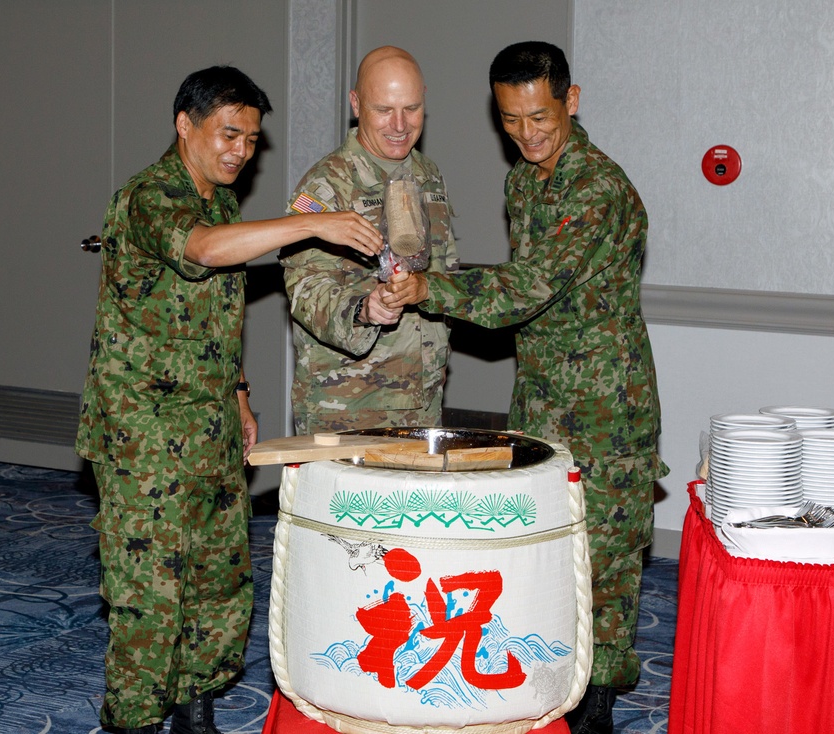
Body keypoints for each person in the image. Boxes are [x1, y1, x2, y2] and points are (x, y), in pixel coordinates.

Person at [75, 65, 381, 734]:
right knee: (151, 592)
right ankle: (133, 719)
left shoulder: (217, 199)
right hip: (144, 435)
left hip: (207, 422)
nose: (240, 151)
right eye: (228, 134)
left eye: (251, 139)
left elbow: (213, 315)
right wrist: (313, 225)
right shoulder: (152, 197)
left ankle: (197, 709)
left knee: (219, 577)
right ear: (185, 126)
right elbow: (206, 253)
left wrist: (239, 396)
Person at [384, 41, 668, 734]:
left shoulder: (596, 186)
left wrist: (430, 290)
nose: (527, 134)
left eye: (540, 116)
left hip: (605, 402)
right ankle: (553, 682)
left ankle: (598, 702)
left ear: (571, 101)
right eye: (510, 120)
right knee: (547, 545)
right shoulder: (527, 182)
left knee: (603, 557)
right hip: (543, 393)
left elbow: (526, 290)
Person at [278, 46, 459, 434]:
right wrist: (364, 309)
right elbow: (305, 292)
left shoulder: (429, 176)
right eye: (383, 110)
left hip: (422, 404)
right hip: (348, 407)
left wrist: (438, 359)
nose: (399, 124)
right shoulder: (325, 187)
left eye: (411, 108)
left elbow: (445, 273)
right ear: (356, 105)